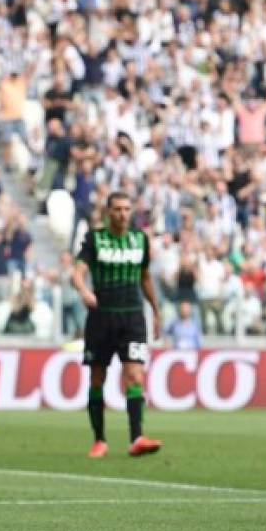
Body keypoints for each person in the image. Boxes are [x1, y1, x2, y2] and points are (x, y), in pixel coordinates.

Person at [72, 193, 164, 459]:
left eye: (127, 208)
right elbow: (78, 272)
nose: (123, 214)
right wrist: (84, 291)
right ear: (108, 212)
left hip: (133, 318)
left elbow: (145, 277)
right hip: (101, 318)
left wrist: (156, 311)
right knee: (97, 378)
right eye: (117, 209)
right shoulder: (94, 239)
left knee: (135, 376)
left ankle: (137, 437)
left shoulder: (140, 240)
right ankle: (99, 439)